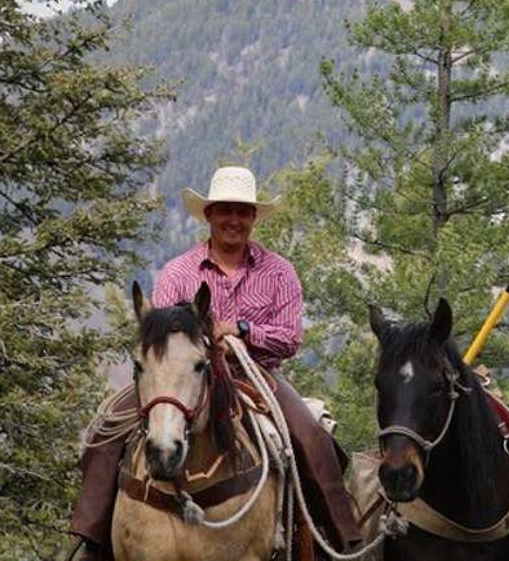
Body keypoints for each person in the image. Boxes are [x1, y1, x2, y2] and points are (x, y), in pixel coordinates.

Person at [63, 166, 362, 560]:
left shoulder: (279, 272)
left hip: (253, 373)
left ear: (253, 217)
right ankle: (93, 540)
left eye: (242, 211)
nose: (233, 220)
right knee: (106, 431)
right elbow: (160, 336)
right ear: (209, 214)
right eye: (225, 210)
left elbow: (290, 337)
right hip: (180, 374)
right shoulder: (178, 272)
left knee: (311, 436)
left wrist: (242, 331)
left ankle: (336, 539)